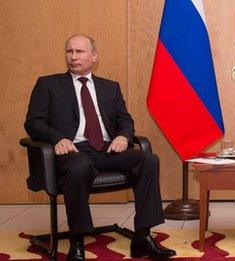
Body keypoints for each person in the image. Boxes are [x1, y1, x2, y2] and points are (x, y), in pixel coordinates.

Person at [24, 34, 176, 260]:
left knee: (148, 159)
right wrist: (57, 138)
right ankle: (77, 243)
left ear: (94, 56)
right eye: (69, 51)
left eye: (80, 52)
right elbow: (33, 122)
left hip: (106, 151)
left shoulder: (109, 87)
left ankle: (142, 237)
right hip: (73, 152)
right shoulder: (48, 84)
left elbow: (125, 120)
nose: (73, 57)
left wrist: (124, 136)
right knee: (79, 168)